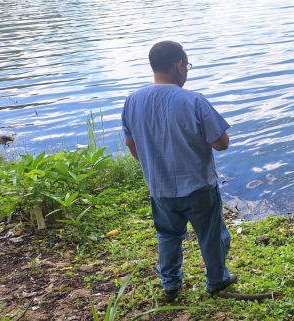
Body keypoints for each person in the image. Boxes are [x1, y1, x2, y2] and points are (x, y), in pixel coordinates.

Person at [122, 40, 236, 302]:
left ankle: (171, 283)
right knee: (212, 236)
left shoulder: (132, 101)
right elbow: (221, 143)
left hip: (160, 188)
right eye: (188, 65)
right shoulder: (194, 100)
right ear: (180, 65)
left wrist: (152, 168)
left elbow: (131, 143)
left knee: (168, 236)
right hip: (198, 186)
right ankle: (217, 279)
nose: (187, 70)